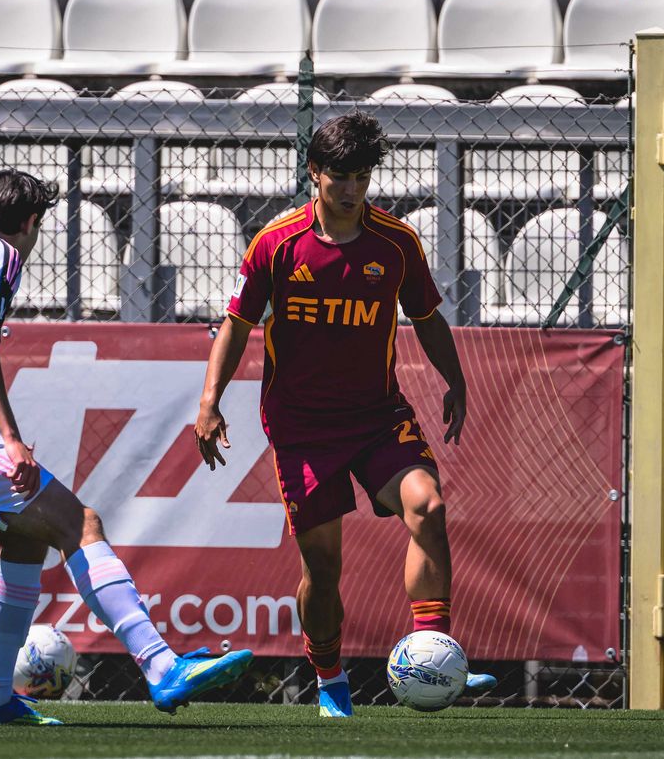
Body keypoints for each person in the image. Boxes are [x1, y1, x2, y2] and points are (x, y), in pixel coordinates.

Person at [0, 169, 253, 726]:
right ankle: (161, 666)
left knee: (26, 540)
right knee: (79, 523)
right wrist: (11, 440)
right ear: (31, 222)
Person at [194, 112, 494, 718]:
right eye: (340, 177)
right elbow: (238, 324)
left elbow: (428, 317)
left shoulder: (396, 242)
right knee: (323, 569)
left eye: (362, 176)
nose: (352, 189)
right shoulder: (276, 245)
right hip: (302, 426)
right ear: (314, 174)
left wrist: (455, 378)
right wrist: (209, 402)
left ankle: (431, 653)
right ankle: (330, 677)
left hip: (378, 415)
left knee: (429, 506)